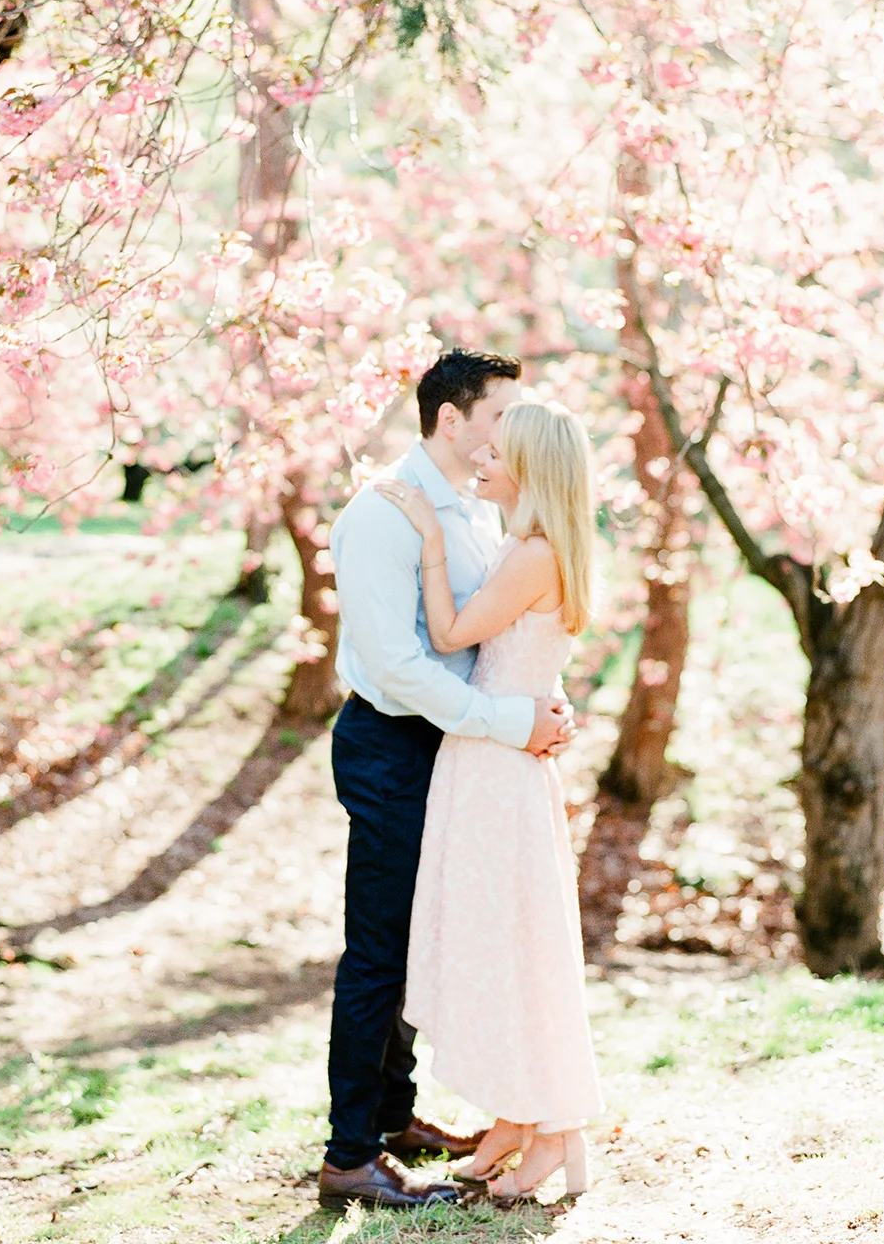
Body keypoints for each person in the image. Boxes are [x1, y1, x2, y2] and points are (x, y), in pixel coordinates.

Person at [316, 348, 576, 1211]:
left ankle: (394, 1118)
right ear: (452, 418)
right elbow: (398, 669)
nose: (511, 430)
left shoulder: (478, 511)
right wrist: (508, 721)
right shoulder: (383, 514)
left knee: (423, 932)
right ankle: (350, 1154)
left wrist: (539, 699)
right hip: (393, 743)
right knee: (379, 949)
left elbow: (498, 631)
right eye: (500, 415)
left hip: (459, 747)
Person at [379, 399, 605, 1203]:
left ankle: (550, 1131)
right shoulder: (531, 547)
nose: (481, 458)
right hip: (493, 760)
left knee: (511, 947)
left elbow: (449, 635)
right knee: (503, 941)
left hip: (497, 770)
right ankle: (515, 1120)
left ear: (530, 471)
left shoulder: (533, 555)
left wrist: (430, 543)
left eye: (497, 453)